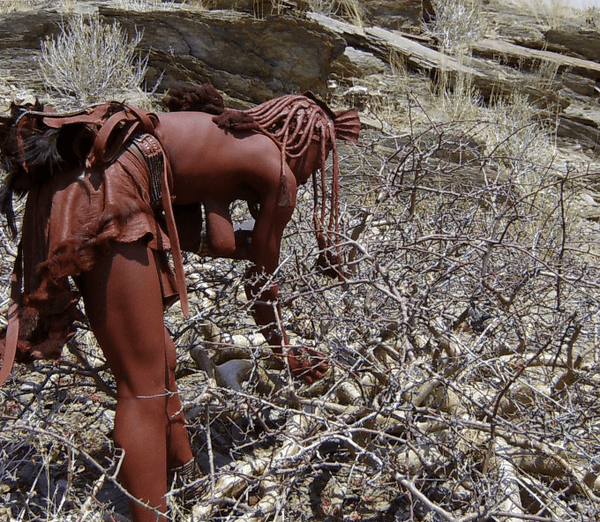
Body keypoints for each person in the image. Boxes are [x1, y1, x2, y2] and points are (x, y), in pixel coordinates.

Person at [0, 86, 360, 521]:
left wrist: (239, 246)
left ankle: (183, 475)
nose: (318, 167)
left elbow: (198, 230)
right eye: (323, 156)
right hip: (109, 188)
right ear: (309, 137)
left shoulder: (232, 140)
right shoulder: (276, 171)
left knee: (161, 354)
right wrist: (284, 352)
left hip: (90, 181)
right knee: (143, 386)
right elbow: (263, 284)